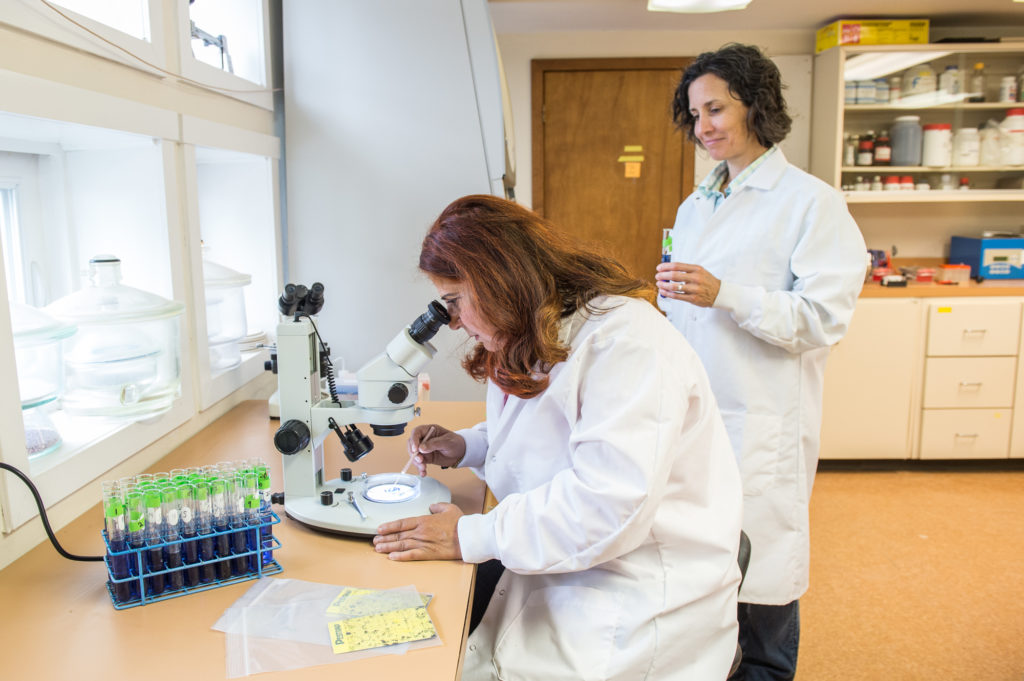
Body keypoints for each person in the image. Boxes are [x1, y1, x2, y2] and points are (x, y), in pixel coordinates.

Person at [373, 194, 744, 680]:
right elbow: (556, 433)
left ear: (499, 281)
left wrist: (469, 533)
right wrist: (471, 445)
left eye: (455, 302)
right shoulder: (547, 328)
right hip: (570, 569)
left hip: (633, 603)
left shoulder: (628, 345)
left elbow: (606, 504)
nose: (455, 322)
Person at [654, 44, 867, 681]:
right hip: (697, 416)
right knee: (705, 578)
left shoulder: (809, 202)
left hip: (761, 421)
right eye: (694, 115)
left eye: (716, 108)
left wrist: (729, 295)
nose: (705, 127)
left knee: (763, 586)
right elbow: (685, 311)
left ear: (757, 106)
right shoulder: (696, 205)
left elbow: (823, 318)